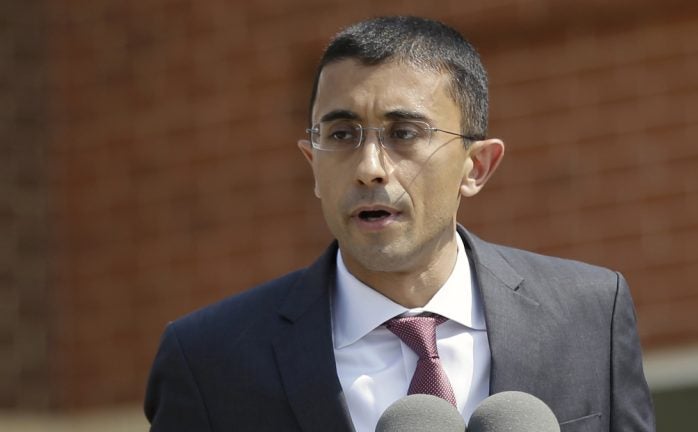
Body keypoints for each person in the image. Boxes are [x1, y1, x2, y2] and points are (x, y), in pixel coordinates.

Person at [144, 16, 655, 432]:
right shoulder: (209, 362)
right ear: (313, 166)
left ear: (476, 167)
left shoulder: (589, 315)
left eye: (404, 133)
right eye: (342, 134)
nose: (369, 166)